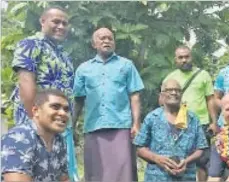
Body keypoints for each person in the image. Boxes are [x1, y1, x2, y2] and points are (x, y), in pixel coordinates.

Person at [9, 6, 78, 181]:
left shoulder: (64, 55)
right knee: (32, 171)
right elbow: (26, 81)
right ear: (43, 21)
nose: (61, 26)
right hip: (36, 120)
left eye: (65, 23)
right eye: (56, 21)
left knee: (57, 172)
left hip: (58, 122)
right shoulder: (31, 44)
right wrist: (34, 121)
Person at [73, 27, 144, 182]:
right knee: (96, 174)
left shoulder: (126, 65)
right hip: (93, 126)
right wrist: (71, 126)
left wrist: (136, 124)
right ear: (94, 44)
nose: (106, 41)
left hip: (121, 126)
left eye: (110, 38)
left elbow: (135, 96)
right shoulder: (83, 69)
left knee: (124, 173)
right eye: (102, 38)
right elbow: (78, 99)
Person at [134, 79, 208, 181]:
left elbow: (201, 148)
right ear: (162, 94)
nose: (174, 93)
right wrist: (157, 159)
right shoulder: (152, 118)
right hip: (156, 177)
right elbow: (139, 148)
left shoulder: (192, 118)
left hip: (185, 177)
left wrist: (186, 161)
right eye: (169, 90)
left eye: (177, 90)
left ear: (181, 95)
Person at [163, 45, 218, 181]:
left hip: (202, 124)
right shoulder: (170, 78)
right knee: (179, 158)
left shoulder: (203, 75)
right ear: (175, 60)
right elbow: (163, 101)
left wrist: (214, 122)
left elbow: (210, 100)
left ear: (191, 57)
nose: (184, 60)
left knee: (203, 162)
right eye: (180, 58)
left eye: (186, 57)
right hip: (178, 125)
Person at [1, 89, 70, 182]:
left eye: (66, 109)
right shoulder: (19, 138)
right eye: (55, 107)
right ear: (36, 111)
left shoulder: (59, 140)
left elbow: (64, 179)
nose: (63, 113)